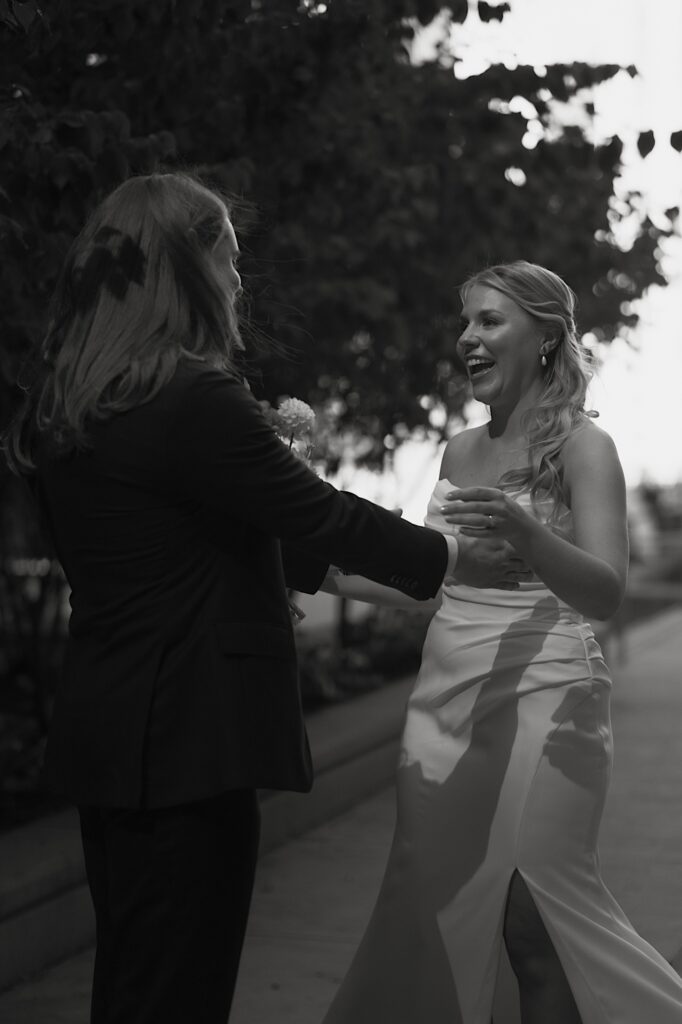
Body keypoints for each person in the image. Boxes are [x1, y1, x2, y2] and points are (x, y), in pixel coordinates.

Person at [2, 172, 524, 1024]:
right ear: (189, 266)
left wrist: (411, 595)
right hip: (190, 739)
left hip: (109, 729)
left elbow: (195, 547)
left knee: (135, 985)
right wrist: (459, 555)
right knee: (179, 992)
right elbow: (318, 515)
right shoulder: (192, 395)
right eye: (230, 258)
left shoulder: (76, 401)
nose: (240, 279)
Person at [320, 261, 682, 1023]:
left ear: (545, 338)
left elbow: (606, 591)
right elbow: (431, 575)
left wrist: (526, 529)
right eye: (466, 323)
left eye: (489, 321)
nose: (468, 339)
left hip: (550, 706)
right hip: (445, 711)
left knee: (537, 920)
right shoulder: (457, 453)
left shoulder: (586, 448)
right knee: (441, 915)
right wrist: (321, 574)